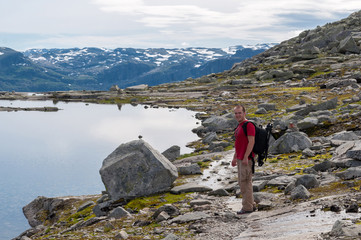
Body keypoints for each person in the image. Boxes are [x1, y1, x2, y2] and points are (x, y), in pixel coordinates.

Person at [232, 105, 257, 214]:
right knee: (244, 182)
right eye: (236, 113)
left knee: (245, 183)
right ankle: (251, 205)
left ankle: (247, 208)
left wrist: (246, 156)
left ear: (244, 113)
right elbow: (238, 144)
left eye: (239, 113)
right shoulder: (239, 126)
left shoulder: (249, 125)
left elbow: (251, 142)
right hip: (240, 158)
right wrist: (234, 158)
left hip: (246, 158)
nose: (237, 115)